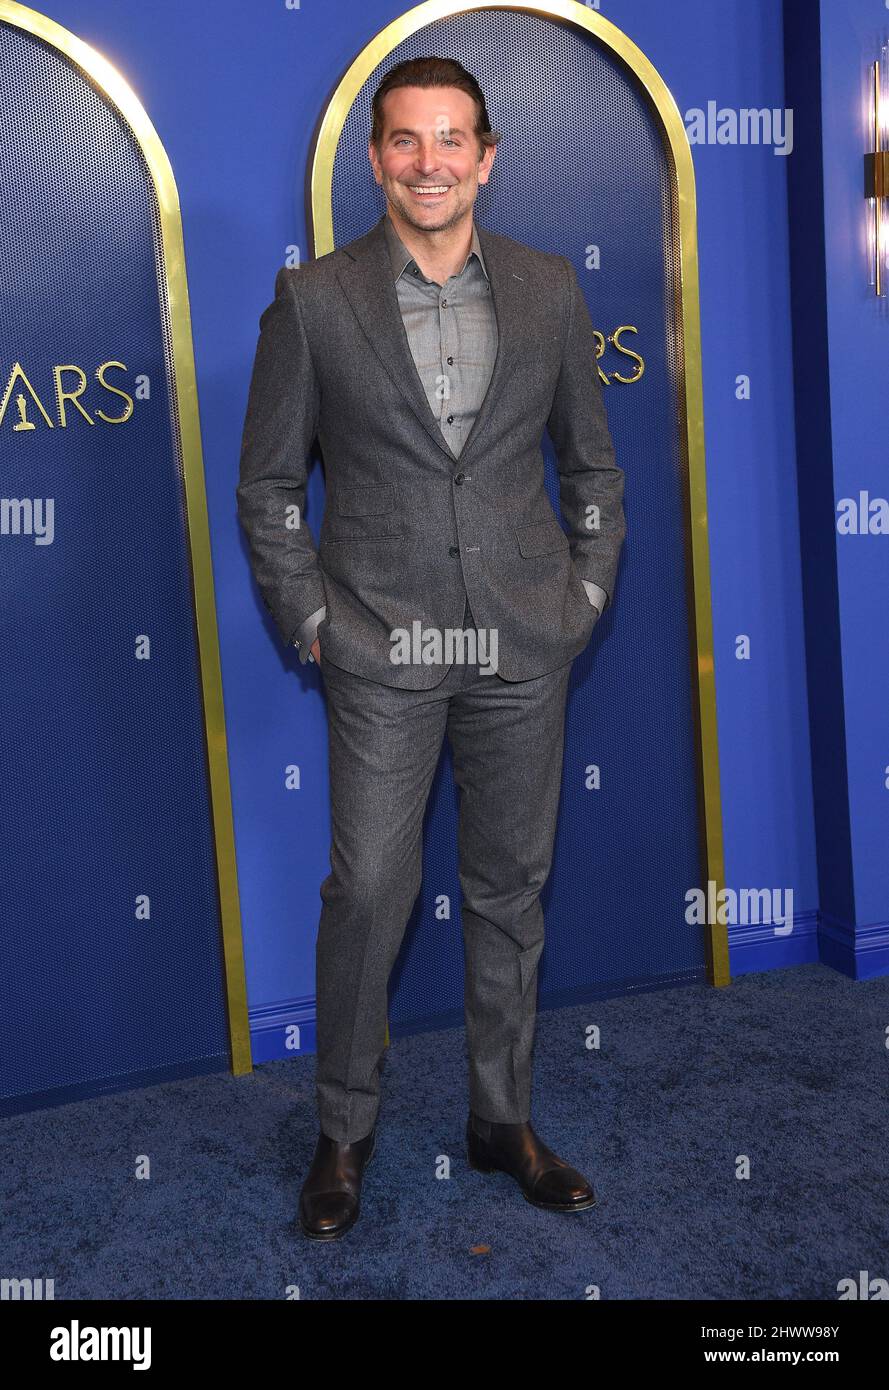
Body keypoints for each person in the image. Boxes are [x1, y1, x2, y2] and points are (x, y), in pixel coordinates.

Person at [237, 55, 626, 1240]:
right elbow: (266, 489)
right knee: (370, 889)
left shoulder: (550, 288)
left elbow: (593, 465)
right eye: (405, 141)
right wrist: (315, 622)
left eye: (451, 139)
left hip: (523, 641)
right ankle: (343, 1132)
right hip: (382, 649)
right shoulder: (317, 302)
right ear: (376, 159)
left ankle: (499, 1120)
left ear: (487, 156)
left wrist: (586, 590)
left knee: (509, 891)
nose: (429, 163)